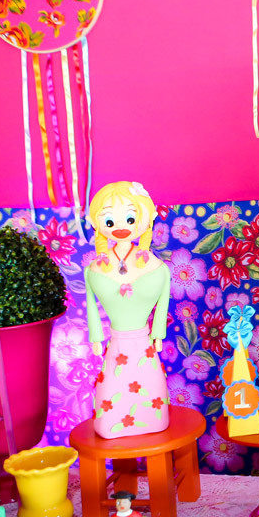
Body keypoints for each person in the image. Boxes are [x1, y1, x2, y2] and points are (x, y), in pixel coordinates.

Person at [85, 181, 171, 439]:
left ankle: (152, 420)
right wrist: (96, 337)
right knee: (112, 387)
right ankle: (112, 424)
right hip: (116, 345)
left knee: (150, 387)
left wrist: (158, 334)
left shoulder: (156, 267)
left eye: (130, 218)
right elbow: (91, 305)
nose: (121, 227)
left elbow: (163, 302)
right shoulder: (95, 268)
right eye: (110, 221)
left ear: (145, 219)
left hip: (145, 345)